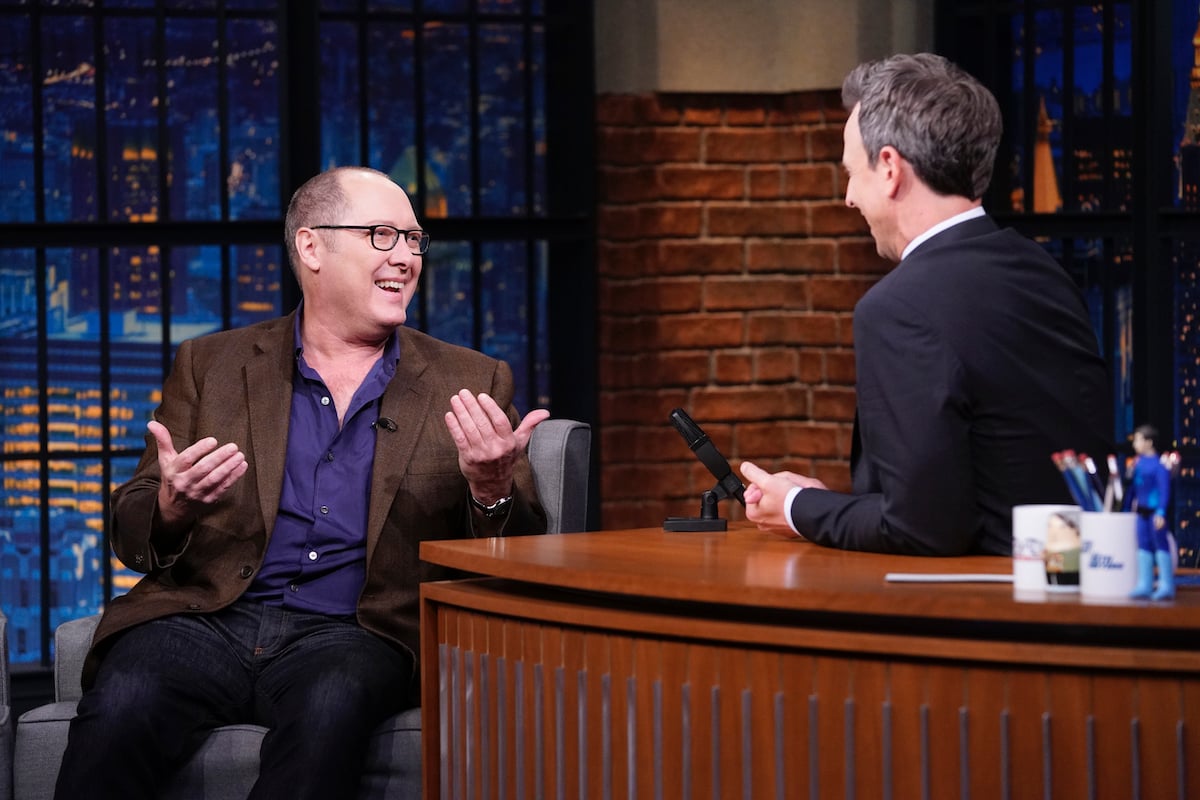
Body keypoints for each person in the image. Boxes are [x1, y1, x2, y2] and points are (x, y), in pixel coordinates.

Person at [54, 165, 549, 799]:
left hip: (356, 632)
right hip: (208, 617)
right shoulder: (212, 365)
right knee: (125, 696)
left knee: (330, 705)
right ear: (312, 247)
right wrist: (172, 505)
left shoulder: (471, 380)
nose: (406, 257)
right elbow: (132, 528)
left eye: (413, 239)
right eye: (382, 235)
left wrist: (490, 486)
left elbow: (523, 549)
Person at [738, 53, 1113, 556]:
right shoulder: (1044, 273)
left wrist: (796, 507)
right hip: (1076, 581)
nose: (849, 197)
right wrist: (822, 505)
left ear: (890, 169)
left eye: (852, 173)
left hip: (980, 599)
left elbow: (921, 527)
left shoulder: (897, 309)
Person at [1125, 424, 1174, 600]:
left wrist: (1161, 512)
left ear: (1149, 442)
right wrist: (1126, 507)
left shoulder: (1159, 466)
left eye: (1138, 440)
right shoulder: (1137, 464)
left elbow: (1164, 490)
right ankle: (1145, 583)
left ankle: (1166, 584)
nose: (1135, 444)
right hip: (1141, 513)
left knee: (1160, 545)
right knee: (1143, 546)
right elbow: (1132, 489)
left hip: (1155, 513)